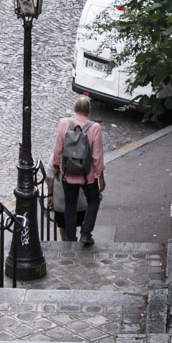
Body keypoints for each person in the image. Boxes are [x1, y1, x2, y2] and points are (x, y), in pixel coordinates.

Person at [52, 94, 105, 245]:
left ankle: (70, 239)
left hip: (68, 173)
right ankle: (86, 233)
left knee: (70, 205)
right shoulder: (95, 128)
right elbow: (97, 156)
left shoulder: (64, 123)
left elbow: (58, 148)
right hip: (87, 175)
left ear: (75, 109)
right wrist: (100, 176)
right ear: (89, 110)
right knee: (94, 201)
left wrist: (56, 166)